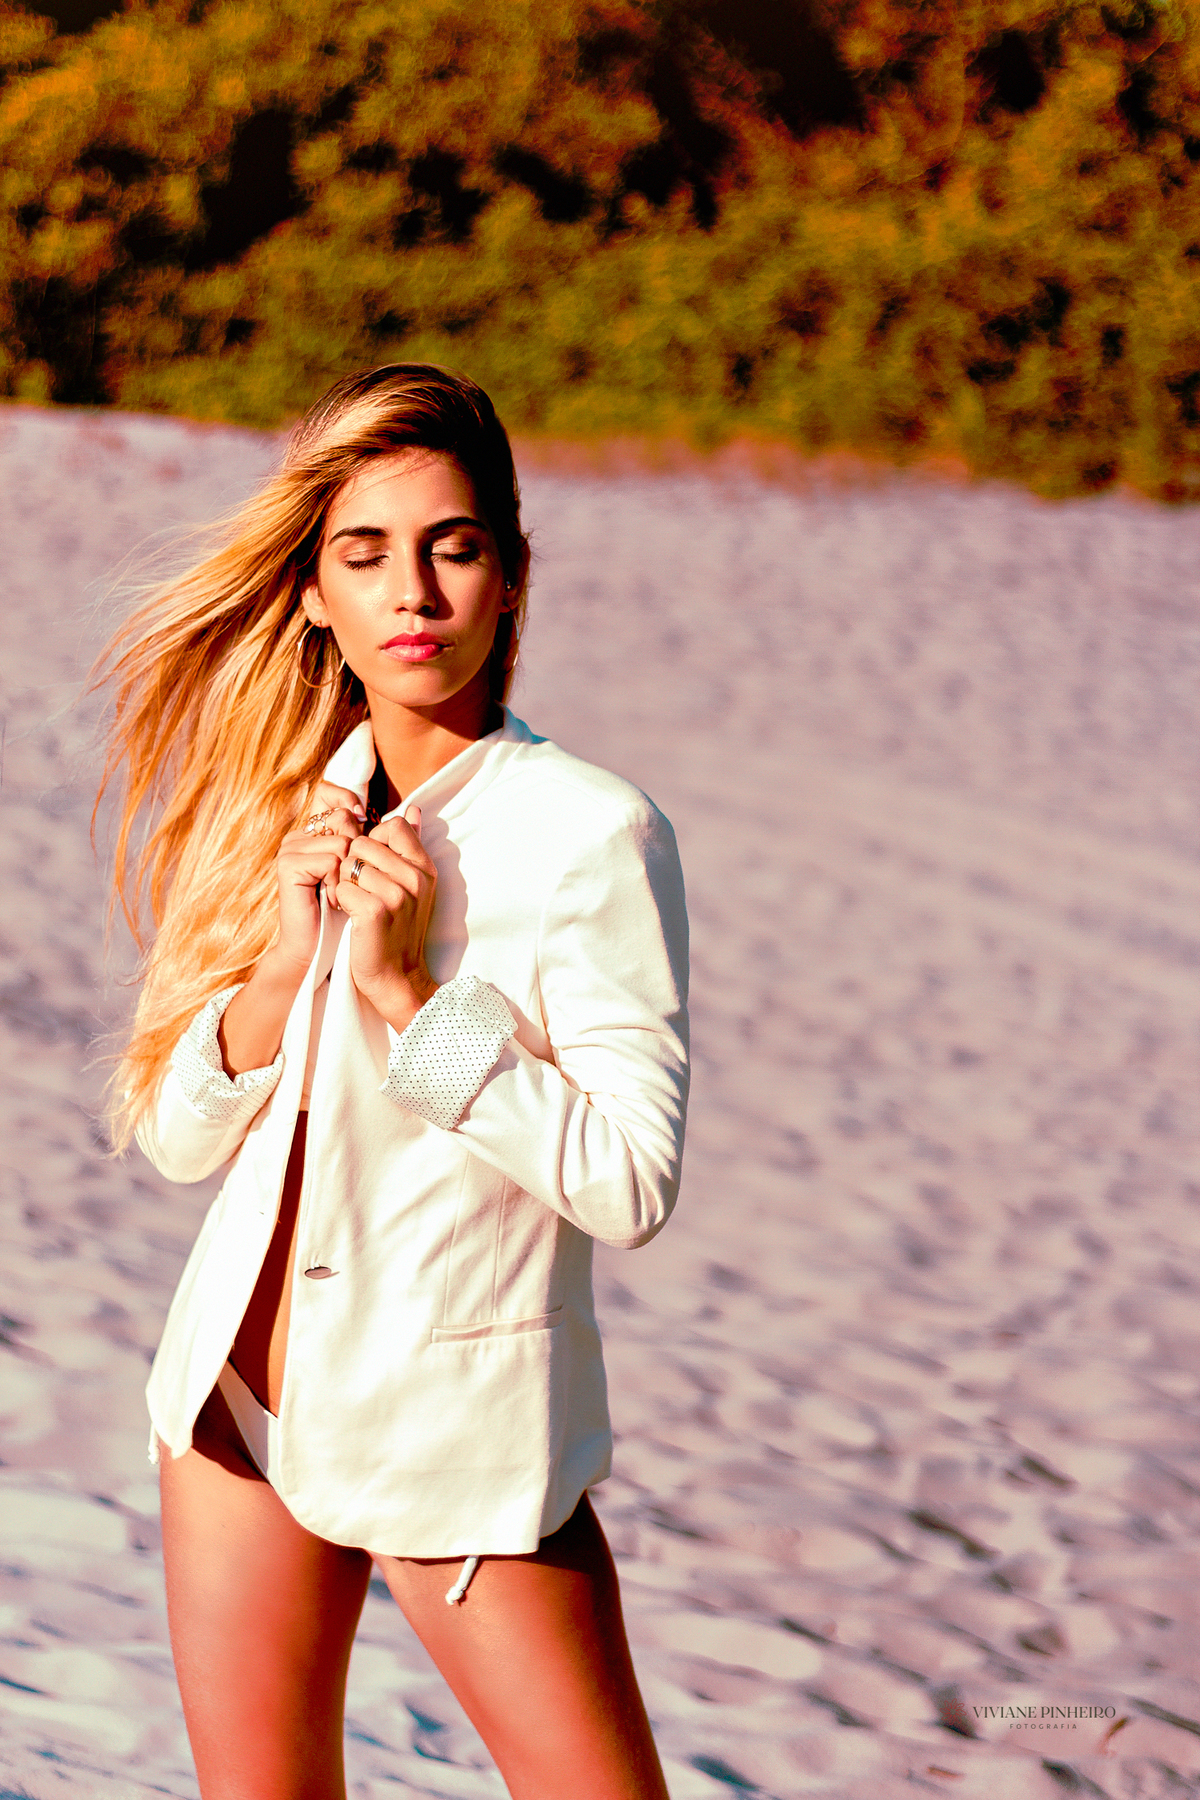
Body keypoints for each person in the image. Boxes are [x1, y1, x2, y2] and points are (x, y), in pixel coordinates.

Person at [95, 364, 690, 1800]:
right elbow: (178, 1138)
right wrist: (282, 971)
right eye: (364, 555)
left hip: (458, 1443)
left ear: (509, 574)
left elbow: (631, 1182)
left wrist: (409, 1000)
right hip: (235, 1411)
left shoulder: (590, 833)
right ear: (313, 591)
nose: (411, 592)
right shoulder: (275, 805)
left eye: (452, 547)